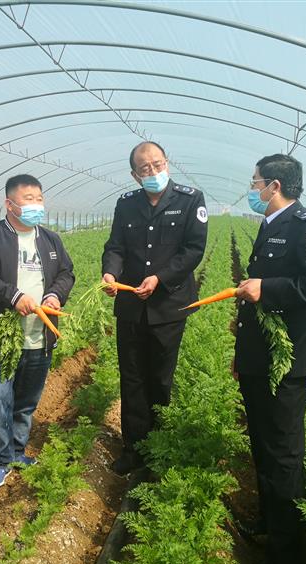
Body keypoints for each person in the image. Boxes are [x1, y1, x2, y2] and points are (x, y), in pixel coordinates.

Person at [232, 154, 306, 564]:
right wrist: (242, 356)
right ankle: (268, 520)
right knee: (262, 443)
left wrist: (267, 288)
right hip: (261, 360)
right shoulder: (271, 224)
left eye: (255, 182)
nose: (253, 188)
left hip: (288, 363)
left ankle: (285, 559)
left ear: (273, 185)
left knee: (282, 455)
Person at [101, 141, 208, 475]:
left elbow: (193, 250)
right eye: (145, 168)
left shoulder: (191, 199)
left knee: (160, 378)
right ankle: (133, 450)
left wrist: (159, 278)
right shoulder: (127, 204)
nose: (153, 171)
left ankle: (158, 450)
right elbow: (115, 246)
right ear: (135, 175)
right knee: (131, 378)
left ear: (167, 163)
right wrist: (110, 272)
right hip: (131, 304)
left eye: (157, 164)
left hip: (168, 304)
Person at [0, 174, 75, 491]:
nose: (36, 205)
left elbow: (67, 273)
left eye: (39, 198)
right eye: (29, 199)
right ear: (9, 204)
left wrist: (55, 295)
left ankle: (16, 452)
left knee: (26, 402)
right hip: (1, 335)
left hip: (40, 336)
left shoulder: (51, 240)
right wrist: (12, 297)